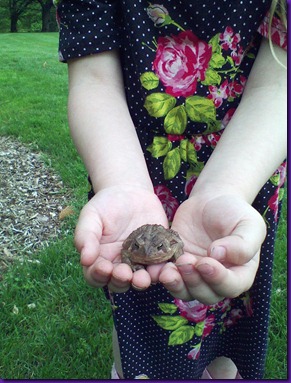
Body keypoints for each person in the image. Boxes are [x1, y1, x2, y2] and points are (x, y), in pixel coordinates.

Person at [55, 0, 287, 379]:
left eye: (160, 248)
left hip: (244, 171)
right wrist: (120, 182)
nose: (153, 252)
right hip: (131, 165)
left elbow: (279, 84)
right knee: (135, 307)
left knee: (228, 300)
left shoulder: (173, 243)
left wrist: (227, 188)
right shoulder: (141, 245)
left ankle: (224, 369)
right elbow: (95, 81)